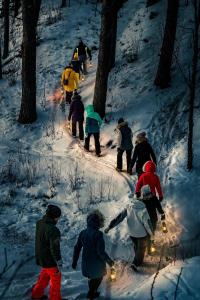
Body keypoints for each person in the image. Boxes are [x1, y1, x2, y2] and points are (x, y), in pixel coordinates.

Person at [72, 210, 114, 300]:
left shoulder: (83, 233)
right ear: (98, 222)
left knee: (91, 278)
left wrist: (74, 261)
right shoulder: (98, 234)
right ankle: (91, 293)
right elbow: (100, 252)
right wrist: (109, 261)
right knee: (98, 278)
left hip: (86, 263)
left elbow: (77, 248)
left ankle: (92, 291)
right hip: (96, 264)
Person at [105, 197, 154, 271]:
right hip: (141, 234)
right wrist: (152, 235)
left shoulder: (128, 206)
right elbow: (147, 224)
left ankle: (136, 259)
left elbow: (119, 217)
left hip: (131, 233)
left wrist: (110, 226)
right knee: (141, 249)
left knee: (136, 246)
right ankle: (136, 263)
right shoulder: (143, 210)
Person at [32, 205, 62, 300]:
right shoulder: (53, 230)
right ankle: (55, 298)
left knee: (44, 275)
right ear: (55, 217)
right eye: (58, 217)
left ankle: (36, 295)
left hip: (41, 257)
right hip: (50, 260)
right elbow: (55, 248)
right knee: (56, 279)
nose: (58, 219)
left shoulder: (39, 223)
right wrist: (58, 261)